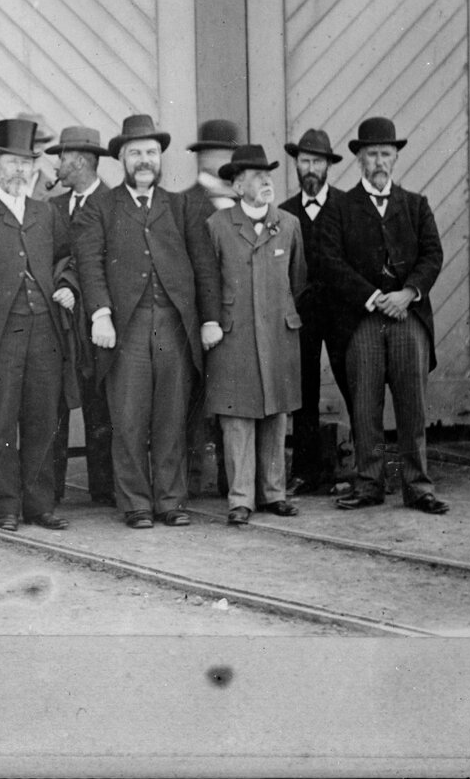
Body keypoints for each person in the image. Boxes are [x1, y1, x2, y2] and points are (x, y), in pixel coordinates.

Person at [74, 115, 206, 529]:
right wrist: (100, 313)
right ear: (121, 159)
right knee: (128, 417)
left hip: (173, 325)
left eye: (151, 152)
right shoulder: (101, 206)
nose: (144, 160)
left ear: (160, 157)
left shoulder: (180, 205)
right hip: (125, 328)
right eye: (136, 153)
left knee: (171, 416)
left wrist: (210, 320)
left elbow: (203, 268)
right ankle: (135, 503)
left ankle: (170, 500)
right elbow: (89, 265)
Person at [315, 117, 449, 515]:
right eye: (371, 154)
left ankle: (418, 486)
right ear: (358, 159)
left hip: (408, 317)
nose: (379, 161)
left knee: (412, 404)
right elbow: (328, 261)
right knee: (365, 405)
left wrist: (407, 294)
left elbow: (432, 255)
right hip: (364, 319)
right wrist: (373, 296)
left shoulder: (415, 205)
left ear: (395, 158)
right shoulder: (340, 207)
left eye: (385, 154)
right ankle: (370, 482)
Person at [0, 119, 77, 531]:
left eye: (27, 163)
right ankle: (7, 505)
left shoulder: (47, 213)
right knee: (1, 421)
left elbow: (69, 260)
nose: (20, 171)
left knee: (42, 421)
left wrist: (67, 286)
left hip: (45, 333)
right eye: (11, 163)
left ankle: (40, 505)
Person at [194, 145, 306, 525]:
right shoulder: (218, 226)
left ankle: (274, 493)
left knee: (276, 414)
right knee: (237, 417)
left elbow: (298, 280)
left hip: (277, 333)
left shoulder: (288, 224)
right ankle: (240, 498)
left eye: (268, 175)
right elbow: (207, 281)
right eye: (257, 177)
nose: (266, 182)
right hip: (235, 334)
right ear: (238, 185)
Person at [277, 128, 354, 495]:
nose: (310, 168)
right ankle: (305, 471)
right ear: (296, 164)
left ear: (328, 167)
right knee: (303, 393)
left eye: (317, 162)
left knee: (354, 385)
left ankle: (361, 470)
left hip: (342, 314)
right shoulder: (284, 213)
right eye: (304, 161)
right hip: (302, 315)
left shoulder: (346, 207)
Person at [46, 126, 117, 506]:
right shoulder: (53, 206)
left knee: (100, 405)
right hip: (60, 324)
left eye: (61, 157)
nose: (57, 165)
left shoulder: (113, 203)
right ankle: (52, 489)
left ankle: (103, 489)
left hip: (99, 323)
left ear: (81, 161)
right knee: (56, 401)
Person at [176, 117, 243, 495]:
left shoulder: (244, 203)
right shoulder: (186, 202)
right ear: (204, 157)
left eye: (231, 154)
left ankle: (229, 481)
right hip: (198, 320)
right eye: (221, 153)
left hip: (238, 322)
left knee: (233, 401)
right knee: (194, 401)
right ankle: (192, 479)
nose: (227, 160)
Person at [14, 111, 59, 201]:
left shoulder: (57, 193)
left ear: (43, 148)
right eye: (24, 146)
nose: (31, 153)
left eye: (36, 145)